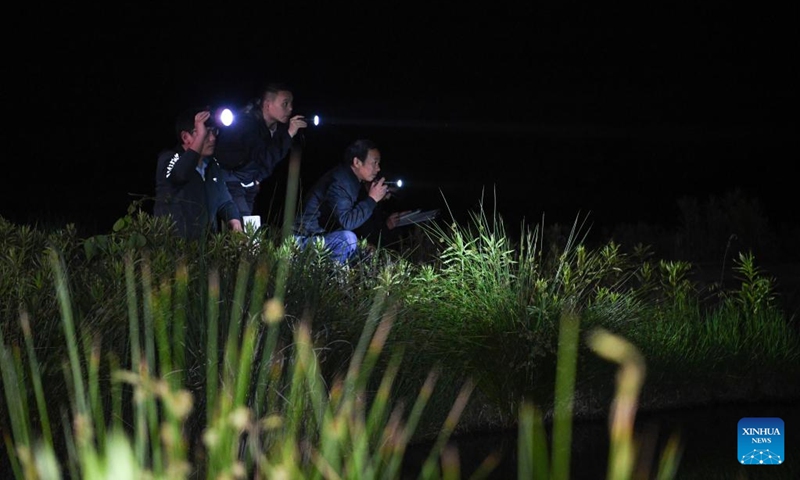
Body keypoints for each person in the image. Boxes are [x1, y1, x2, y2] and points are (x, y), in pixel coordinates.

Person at [293, 139, 405, 264]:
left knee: (369, 251)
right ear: (357, 162)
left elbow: (360, 224)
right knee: (348, 239)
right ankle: (332, 281)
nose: (378, 168)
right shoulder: (340, 182)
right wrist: (372, 199)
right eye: (374, 163)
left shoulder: (353, 182)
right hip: (302, 240)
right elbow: (347, 222)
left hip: (320, 237)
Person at [214, 82, 308, 217]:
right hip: (231, 178)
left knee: (250, 222)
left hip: (249, 181)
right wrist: (289, 134)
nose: (290, 109)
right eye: (285, 104)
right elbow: (265, 156)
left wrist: (259, 178)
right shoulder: (247, 124)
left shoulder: (278, 127)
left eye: (291, 104)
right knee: (243, 224)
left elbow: (273, 159)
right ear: (268, 105)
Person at [154, 107, 243, 240]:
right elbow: (179, 175)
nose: (212, 138)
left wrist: (235, 223)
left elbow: (225, 202)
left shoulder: (212, 165)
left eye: (214, 131)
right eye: (205, 133)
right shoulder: (168, 159)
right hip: (176, 251)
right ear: (186, 137)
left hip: (206, 252)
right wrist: (201, 136)